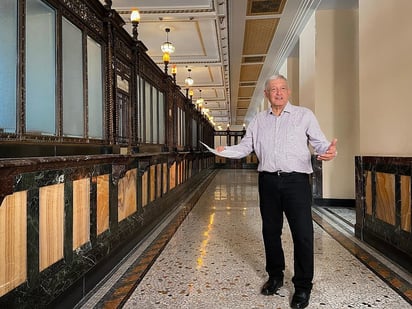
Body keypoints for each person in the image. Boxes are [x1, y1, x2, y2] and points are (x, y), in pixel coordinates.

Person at [216, 74, 337, 309]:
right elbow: (245, 147)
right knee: (270, 231)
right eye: (273, 89)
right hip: (268, 181)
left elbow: (320, 143)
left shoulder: (304, 115)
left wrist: (329, 152)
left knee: (302, 234)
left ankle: (303, 287)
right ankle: (275, 276)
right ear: (267, 94)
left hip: (296, 182)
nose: (278, 92)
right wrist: (225, 150)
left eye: (282, 88)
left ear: (288, 92)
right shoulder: (259, 120)